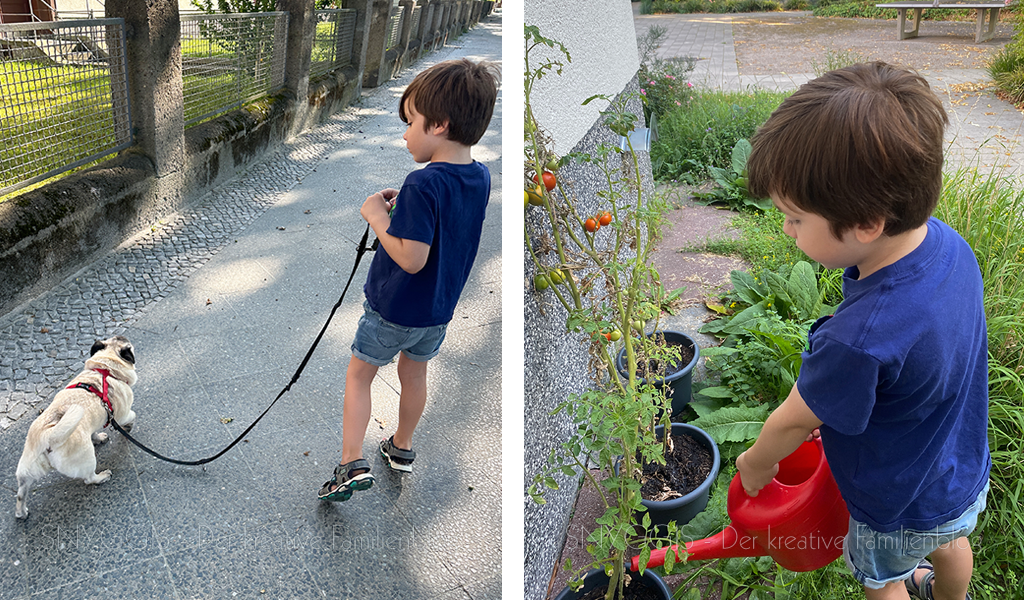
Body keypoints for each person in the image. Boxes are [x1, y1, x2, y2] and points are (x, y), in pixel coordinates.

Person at [736, 62, 990, 600]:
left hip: (892, 501)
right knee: (950, 542)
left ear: (867, 224)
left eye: (795, 218)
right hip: (958, 468)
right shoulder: (948, 246)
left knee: (883, 579)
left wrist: (754, 463)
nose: (786, 228)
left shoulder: (856, 340)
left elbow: (789, 423)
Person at [318, 58, 499, 502]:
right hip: (437, 312)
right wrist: (407, 212)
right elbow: (445, 229)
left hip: (394, 308)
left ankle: (350, 464)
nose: (404, 134)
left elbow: (411, 258)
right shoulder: (478, 176)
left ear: (438, 124)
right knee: (414, 373)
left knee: (360, 375)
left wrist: (377, 217)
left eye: (410, 122)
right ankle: (402, 448)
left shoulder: (422, 183)